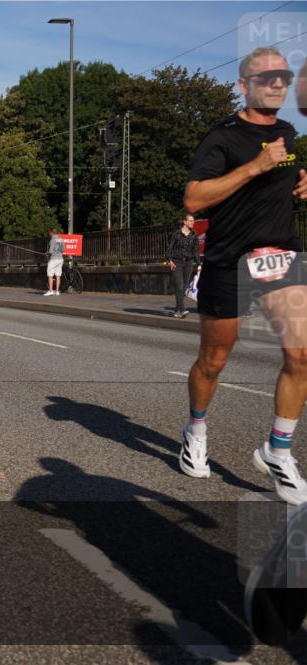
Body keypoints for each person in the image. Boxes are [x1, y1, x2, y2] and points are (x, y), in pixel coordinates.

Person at [180, 47, 307, 504]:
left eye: (283, 76)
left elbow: (283, 178)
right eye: (265, 76)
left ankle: (278, 450)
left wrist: (300, 180)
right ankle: (195, 430)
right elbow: (194, 199)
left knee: (302, 354)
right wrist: (255, 166)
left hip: (280, 255)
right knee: (213, 361)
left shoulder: (287, 133)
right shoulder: (222, 137)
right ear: (243, 85)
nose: (276, 83)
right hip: (229, 260)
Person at [166, 213, 201, 318]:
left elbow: (196, 251)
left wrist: (198, 264)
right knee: (179, 285)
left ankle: (177, 310)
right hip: (177, 262)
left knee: (184, 287)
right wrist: (170, 260)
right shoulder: (176, 234)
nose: (192, 222)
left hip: (189, 263)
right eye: (190, 220)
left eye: (193, 220)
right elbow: (169, 248)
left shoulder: (193, 235)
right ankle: (182, 309)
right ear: (184, 222)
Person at [44, 229, 65, 296]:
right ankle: (57, 291)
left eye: (49, 233)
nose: (49, 234)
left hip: (53, 259)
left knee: (50, 275)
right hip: (60, 259)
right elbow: (63, 250)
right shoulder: (61, 239)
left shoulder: (52, 240)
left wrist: (47, 253)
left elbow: (50, 251)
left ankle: (50, 290)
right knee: (58, 275)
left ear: (52, 233)